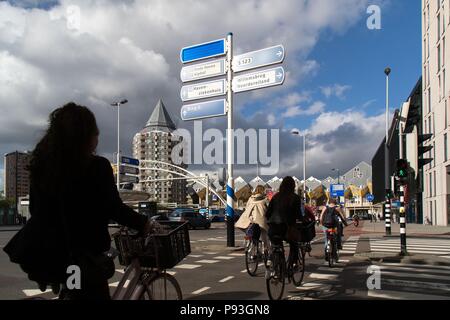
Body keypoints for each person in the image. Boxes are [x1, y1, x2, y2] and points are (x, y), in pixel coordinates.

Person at [12, 103, 153, 300]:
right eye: (96, 133)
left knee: (72, 290)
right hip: (83, 261)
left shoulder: (43, 168)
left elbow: (36, 211)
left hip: (54, 257)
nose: (98, 138)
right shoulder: (97, 167)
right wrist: (144, 223)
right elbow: (114, 208)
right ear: (86, 137)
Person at [266, 176, 302, 265]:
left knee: (276, 244)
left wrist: (270, 221)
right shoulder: (295, 198)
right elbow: (298, 214)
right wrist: (302, 220)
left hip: (273, 228)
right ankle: (292, 264)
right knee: (294, 244)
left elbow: (267, 213)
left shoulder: (275, 197)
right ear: (293, 186)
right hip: (287, 228)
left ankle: (275, 262)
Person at [235, 185, 269, 252]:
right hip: (261, 220)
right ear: (263, 191)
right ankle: (265, 249)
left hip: (250, 220)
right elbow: (269, 210)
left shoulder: (251, 198)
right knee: (264, 233)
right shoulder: (265, 199)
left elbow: (247, 207)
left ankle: (252, 245)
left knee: (250, 230)